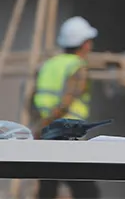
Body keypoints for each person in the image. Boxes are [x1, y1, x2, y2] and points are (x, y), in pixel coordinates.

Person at [31, 16, 100, 199]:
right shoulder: (77, 67)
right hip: (66, 134)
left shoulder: (48, 65)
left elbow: (31, 100)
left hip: (47, 134)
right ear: (84, 44)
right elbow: (65, 103)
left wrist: (39, 127)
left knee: (47, 188)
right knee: (86, 190)